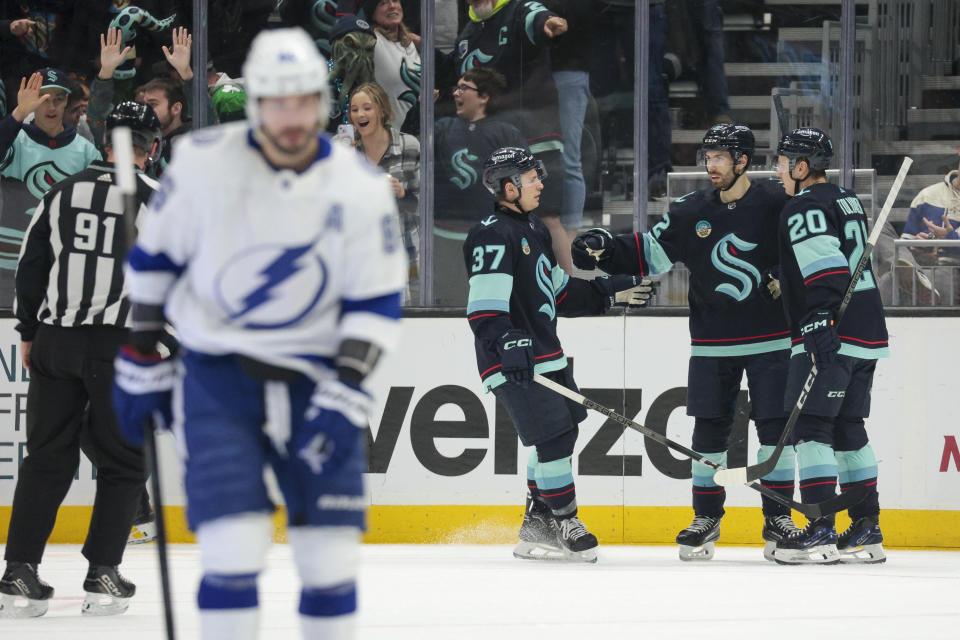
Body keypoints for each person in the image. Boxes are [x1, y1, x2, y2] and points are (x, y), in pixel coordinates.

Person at [112, 27, 406, 639]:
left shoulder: (357, 186)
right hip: (221, 381)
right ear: (257, 103)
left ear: (320, 103)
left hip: (319, 380)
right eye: (276, 101)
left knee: (329, 559)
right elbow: (153, 266)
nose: (290, 117)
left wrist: (349, 385)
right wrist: (140, 353)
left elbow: (375, 299)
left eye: (301, 101)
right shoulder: (201, 166)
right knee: (231, 550)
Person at [572, 125, 800, 561]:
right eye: (707, 156)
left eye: (719, 157)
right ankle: (706, 517)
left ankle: (778, 519)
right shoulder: (689, 209)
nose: (710, 166)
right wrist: (608, 248)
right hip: (712, 342)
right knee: (709, 432)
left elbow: (803, 250)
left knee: (774, 429)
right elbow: (652, 253)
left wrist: (783, 278)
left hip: (772, 340)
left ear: (743, 161)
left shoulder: (777, 202)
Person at [0, 101, 162, 618]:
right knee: (125, 461)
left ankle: (19, 572)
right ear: (150, 148)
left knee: (46, 459)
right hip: (116, 347)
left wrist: (29, 332)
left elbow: (31, 265)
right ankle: (102, 573)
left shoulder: (61, 191)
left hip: (55, 341)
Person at [465, 146, 654, 563]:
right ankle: (565, 520)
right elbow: (484, 309)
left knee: (563, 434)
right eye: (532, 178)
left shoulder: (533, 228)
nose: (540, 184)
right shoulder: (492, 233)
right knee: (552, 439)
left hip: (546, 356)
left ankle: (538, 521)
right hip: (513, 361)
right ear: (508, 185)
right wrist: (508, 342)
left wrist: (610, 290)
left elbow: (561, 292)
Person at [771, 128, 889, 565]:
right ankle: (866, 527)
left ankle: (821, 529)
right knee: (848, 428)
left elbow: (824, 262)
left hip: (830, 330)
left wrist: (818, 316)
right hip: (867, 330)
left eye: (783, 163)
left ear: (802, 168)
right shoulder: (845, 198)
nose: (778, 171)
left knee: (812, 429)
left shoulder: (802, 205)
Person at [449, 0, 573, 270]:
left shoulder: (518, 9)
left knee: (548, 216)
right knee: (502, 220)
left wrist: (547, 22)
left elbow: (536, 17)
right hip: (495, 144)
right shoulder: (468, 32)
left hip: (536, 137)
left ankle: (568, 292)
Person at [434, 68, 526, 305]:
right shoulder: (442, 128)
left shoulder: (506, 133)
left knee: (487, 303)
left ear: (484, 97)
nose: (456, 93)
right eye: (456, 87)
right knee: (447, 303)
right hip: (444, 235)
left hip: (489, 236)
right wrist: (421, 109)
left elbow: (523, 183)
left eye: (464, 88)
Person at [349, 81, 419, 301]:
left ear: (381, 110)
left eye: (367, 108)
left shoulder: (409, 146)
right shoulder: (342, 150)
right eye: (354, 109)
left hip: (402, 254)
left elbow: (423, 205)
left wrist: (401, 194)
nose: (360, 114)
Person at [361, 0, 421, 132]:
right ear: (373, 14)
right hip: (388, 137)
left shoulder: (410, 43)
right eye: (383, 3)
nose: (392, 6)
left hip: (418, 135)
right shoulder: (372, 41)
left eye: (395, 0)